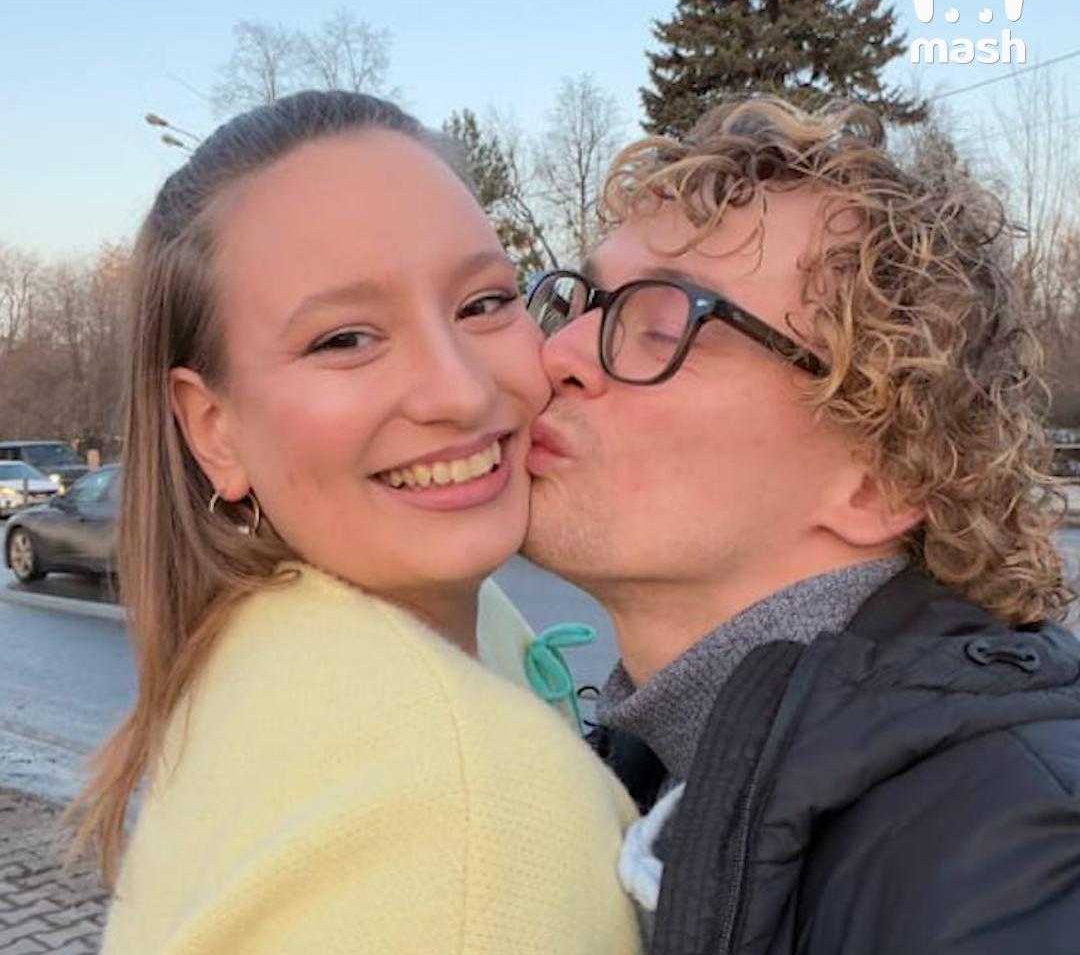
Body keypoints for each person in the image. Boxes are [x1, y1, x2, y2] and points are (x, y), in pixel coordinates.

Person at [75, 91, 643, 954]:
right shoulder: (464, 805)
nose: (459, 390)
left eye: (484, 302)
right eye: (344, 339)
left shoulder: (271, 637)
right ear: (213, 428)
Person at [523, 95, 1080, 954]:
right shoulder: (658, 775)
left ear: (882, 480)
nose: (556, 355)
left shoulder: (1012, 863)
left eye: (662, 324)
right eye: (580, 306)